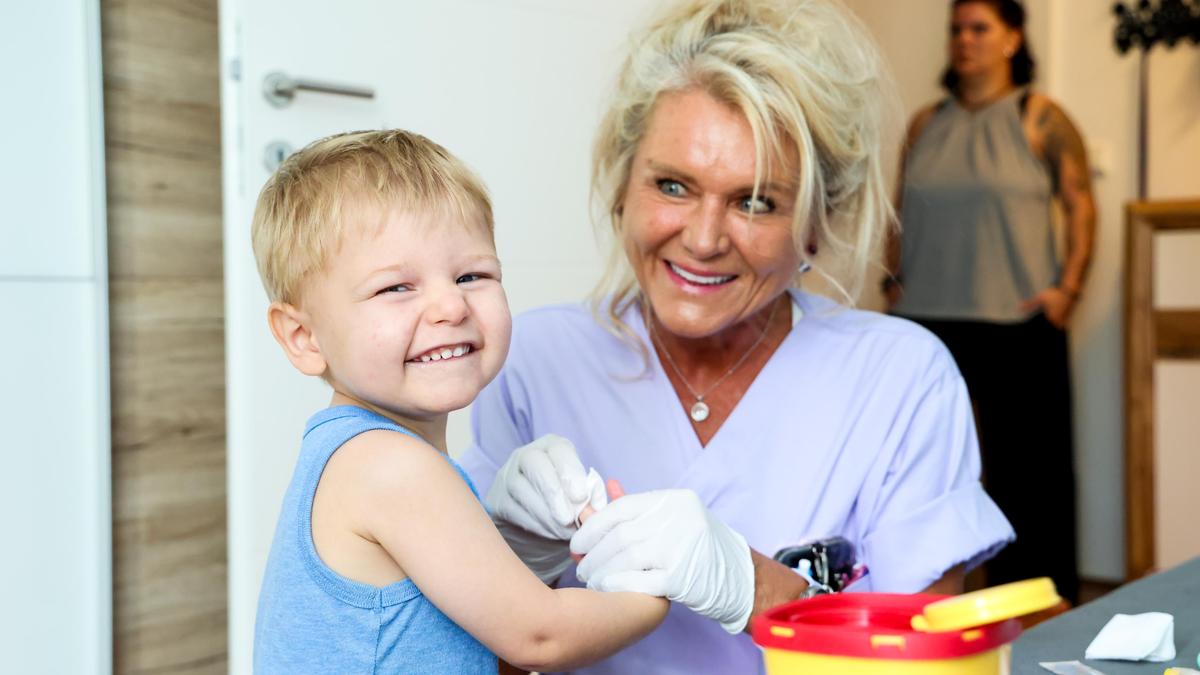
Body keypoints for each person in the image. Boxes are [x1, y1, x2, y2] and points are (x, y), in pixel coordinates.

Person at [457, 1, 1016, 673]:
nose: (702, 239)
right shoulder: (532, 362)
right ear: (622, 190)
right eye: (672, 185)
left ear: (814, 225)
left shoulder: (901, 380)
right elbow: (479, 659)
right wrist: (514, 569)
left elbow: (928, 666)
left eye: (756, 201)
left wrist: (758, 587)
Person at [249, 129, 667, 674]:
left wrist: (528, 554)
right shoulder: (388, 466)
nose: (450, 305)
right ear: (304, 337)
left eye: (472, 275)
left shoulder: (358, 454)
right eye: (395, 288)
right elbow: (540, 637)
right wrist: (655, 588)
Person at [886, 0, 1096, 605]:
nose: (964, 40)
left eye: (980, 28)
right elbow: (901, 205)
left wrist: (1069, 289)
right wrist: (892, 277)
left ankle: (1036, 602)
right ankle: (922, 599)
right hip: (928, 320)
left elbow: (1082, 204)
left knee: (1031, 475)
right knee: (924, 471)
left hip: (1017, 318)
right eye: (956, 29)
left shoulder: (1040, 117)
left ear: (1012, 39)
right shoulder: (926, 123)